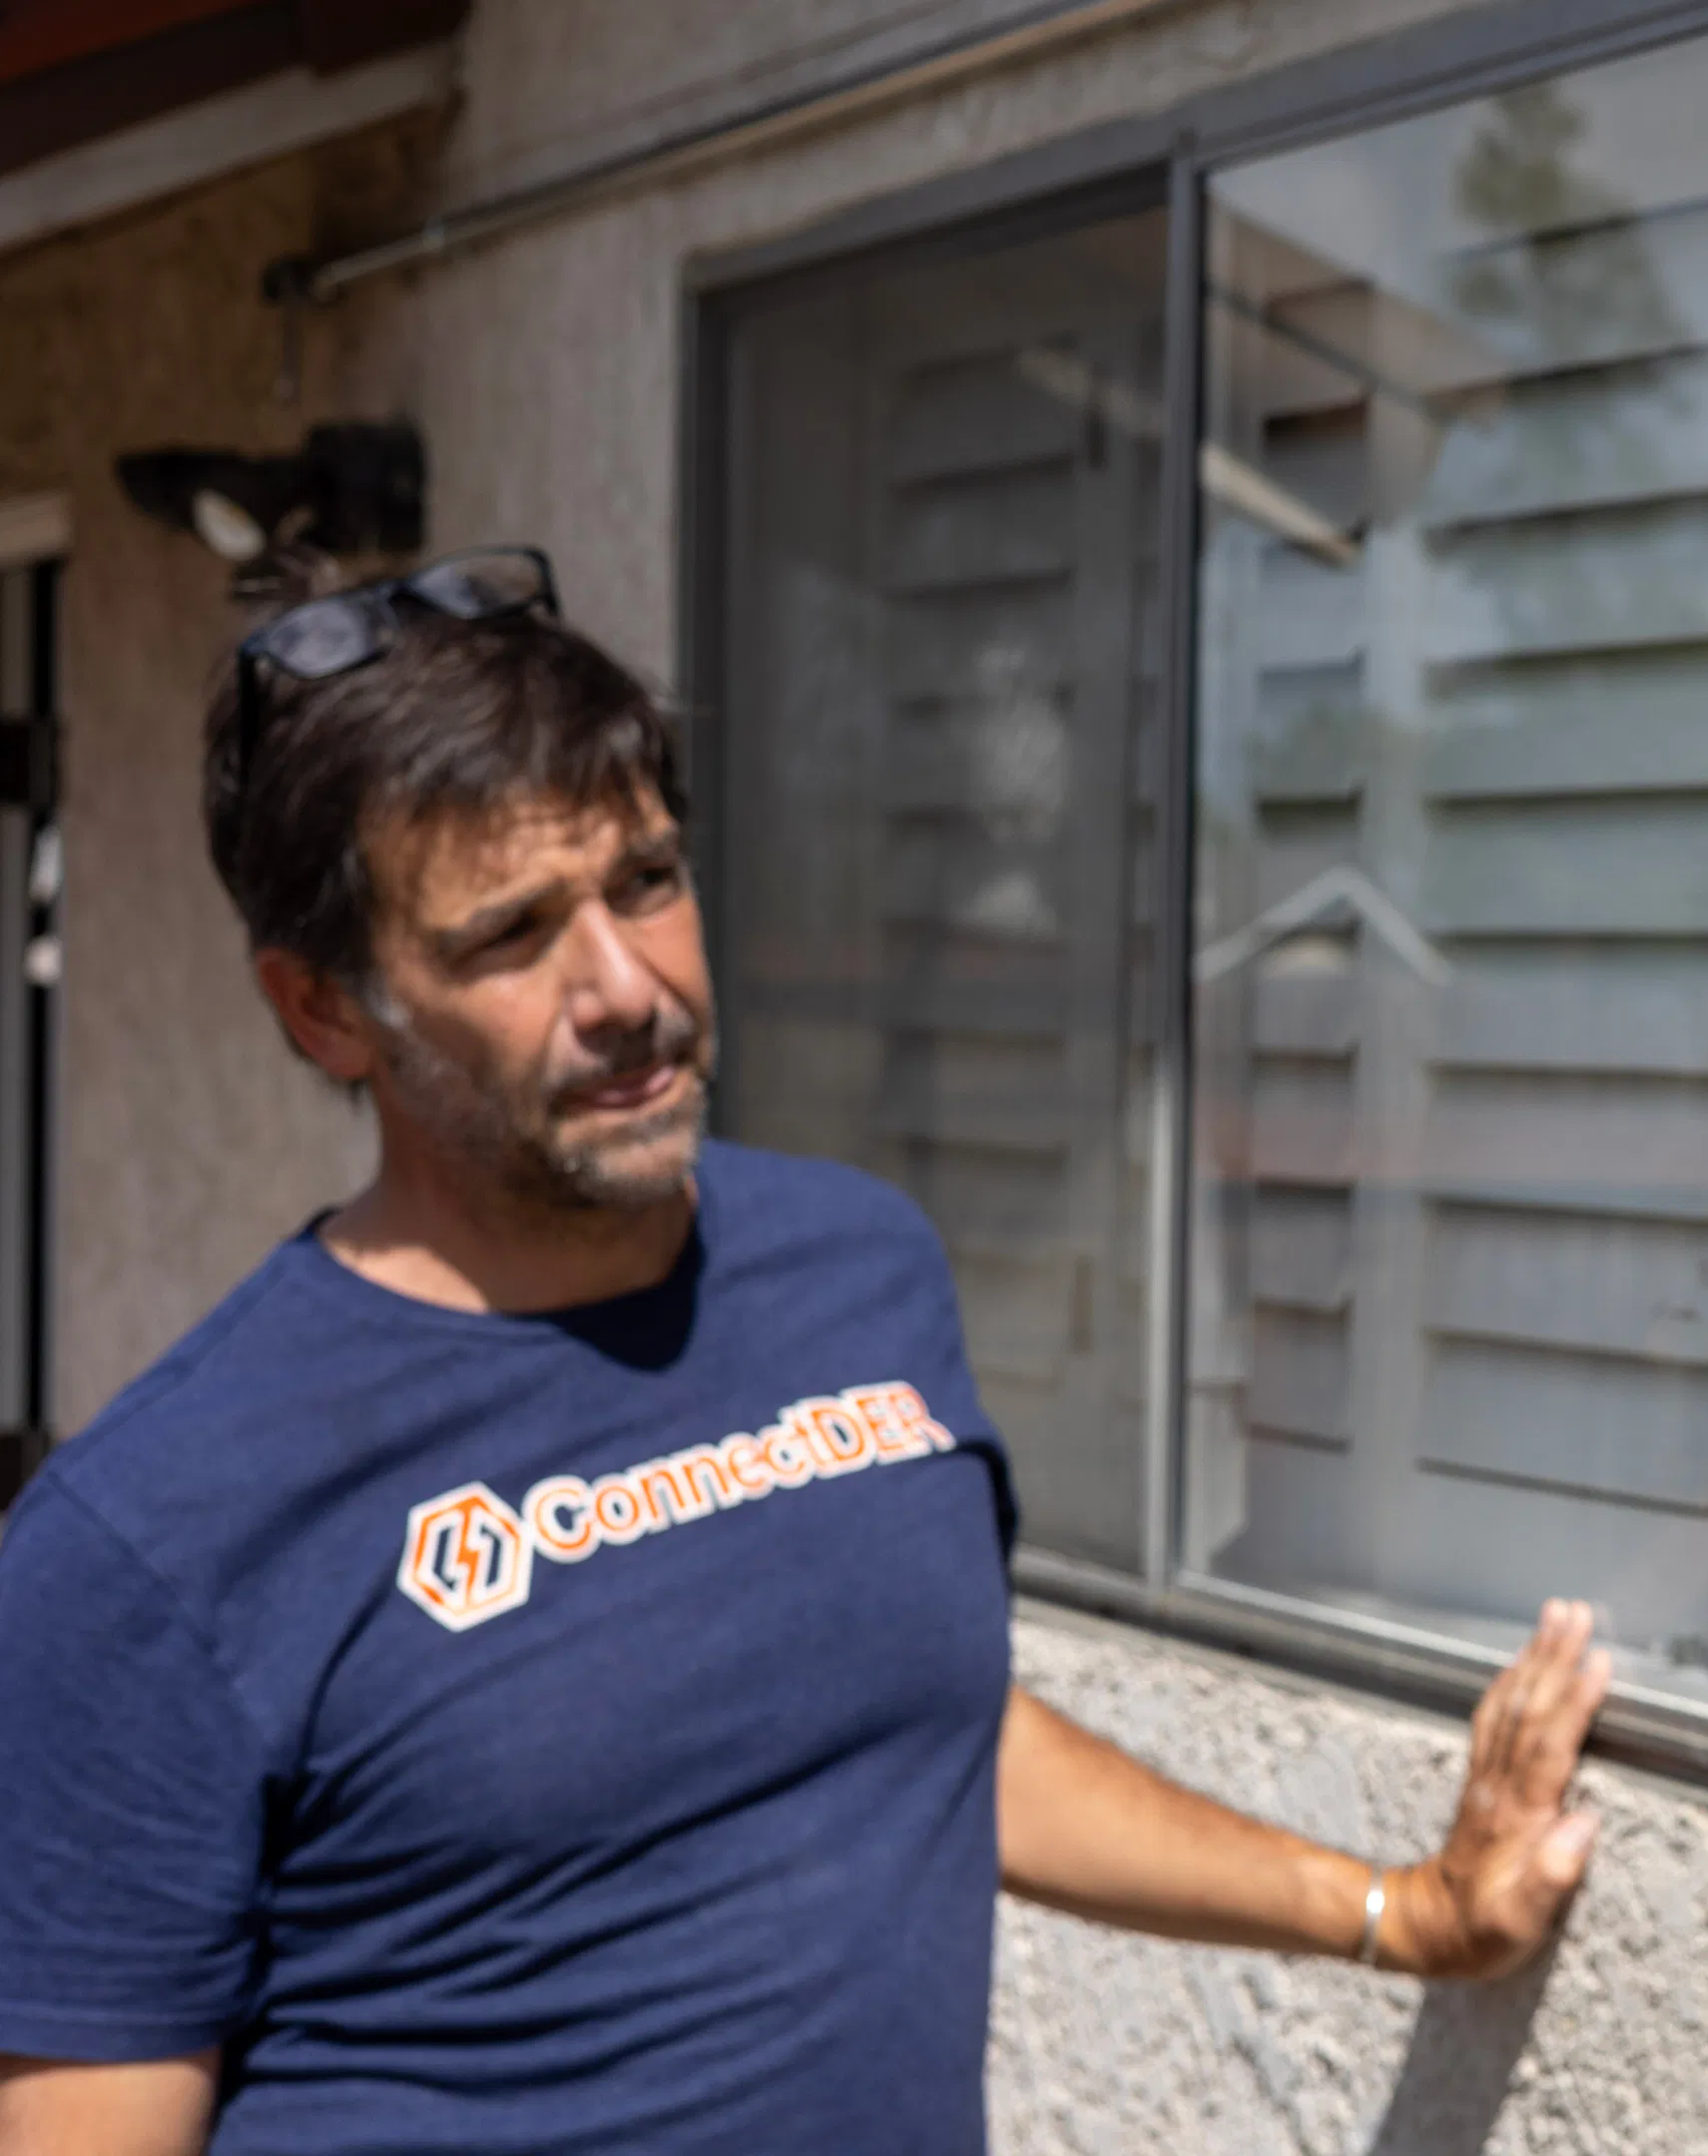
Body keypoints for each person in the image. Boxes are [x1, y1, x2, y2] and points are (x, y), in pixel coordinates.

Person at [0, 553, 1612, 2155]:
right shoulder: (152, 1539)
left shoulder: (853, 1270)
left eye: (644, 881)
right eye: (509, 935)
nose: (627, 990)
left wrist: (1407, 1910)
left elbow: (920, 1720)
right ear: (323, 1012)